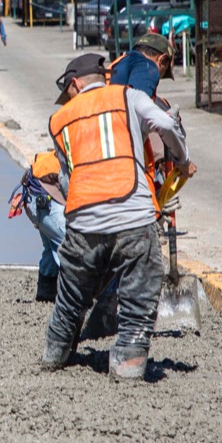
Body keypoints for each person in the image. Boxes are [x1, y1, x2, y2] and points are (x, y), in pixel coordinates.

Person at [42, 52, 190, 381]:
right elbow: (166, 124)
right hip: (133, 214)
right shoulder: (130, 96)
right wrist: (181, 158)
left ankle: (55, 351)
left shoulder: (59, 121)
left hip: (83, 220)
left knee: (72, 295)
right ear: (101, 78)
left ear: (75, 85)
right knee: (140, 291)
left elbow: (67, 177)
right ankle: (129, 361)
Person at [8, 150, 66, 301]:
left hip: (35, 198)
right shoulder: (80, 161)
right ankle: (71, 298)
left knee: (51, 245)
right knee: (70, 247)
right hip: (43, 202)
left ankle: (45, 294)